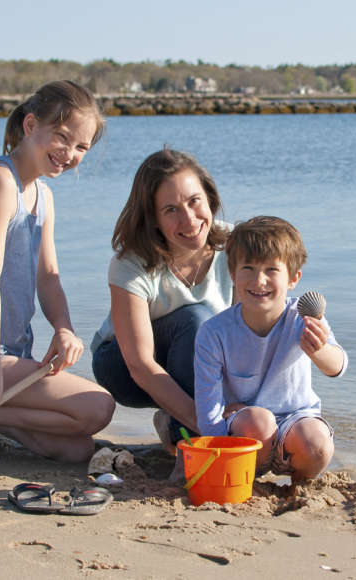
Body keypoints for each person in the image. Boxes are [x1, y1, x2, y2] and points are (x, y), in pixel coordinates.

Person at [0, 80, 116, 462]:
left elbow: (48, 277)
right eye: (62, 138)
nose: (70, 154)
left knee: (75, 449)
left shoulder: (43, 196)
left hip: (10, 357)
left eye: (81, 147)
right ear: (31, 126)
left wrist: (64, 328)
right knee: (98, 407)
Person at [91, 148, 234, 455]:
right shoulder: (131, 264)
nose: (189, 219)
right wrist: (212, 428)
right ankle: (188, 435)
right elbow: (140, 366)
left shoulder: (236, 247)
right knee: (197, 320)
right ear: (153, 218)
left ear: (209, 198)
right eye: (170, 210)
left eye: (195, 201)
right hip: (123, 367)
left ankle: (176, 423)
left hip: (195, 364)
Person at [194, 216, 348, 482]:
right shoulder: (214, 332)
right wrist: (217, 451)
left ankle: (297, 483)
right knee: (259, 421)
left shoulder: (303, 317)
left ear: (293, 278)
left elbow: (338, 367)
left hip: (296, 417)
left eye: (271, 270)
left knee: (317, 444)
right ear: (232, 273)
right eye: (248, 268)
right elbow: (209, 409)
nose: (259, 280)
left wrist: (318, 350)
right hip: (247, 427)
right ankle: (248, 478)